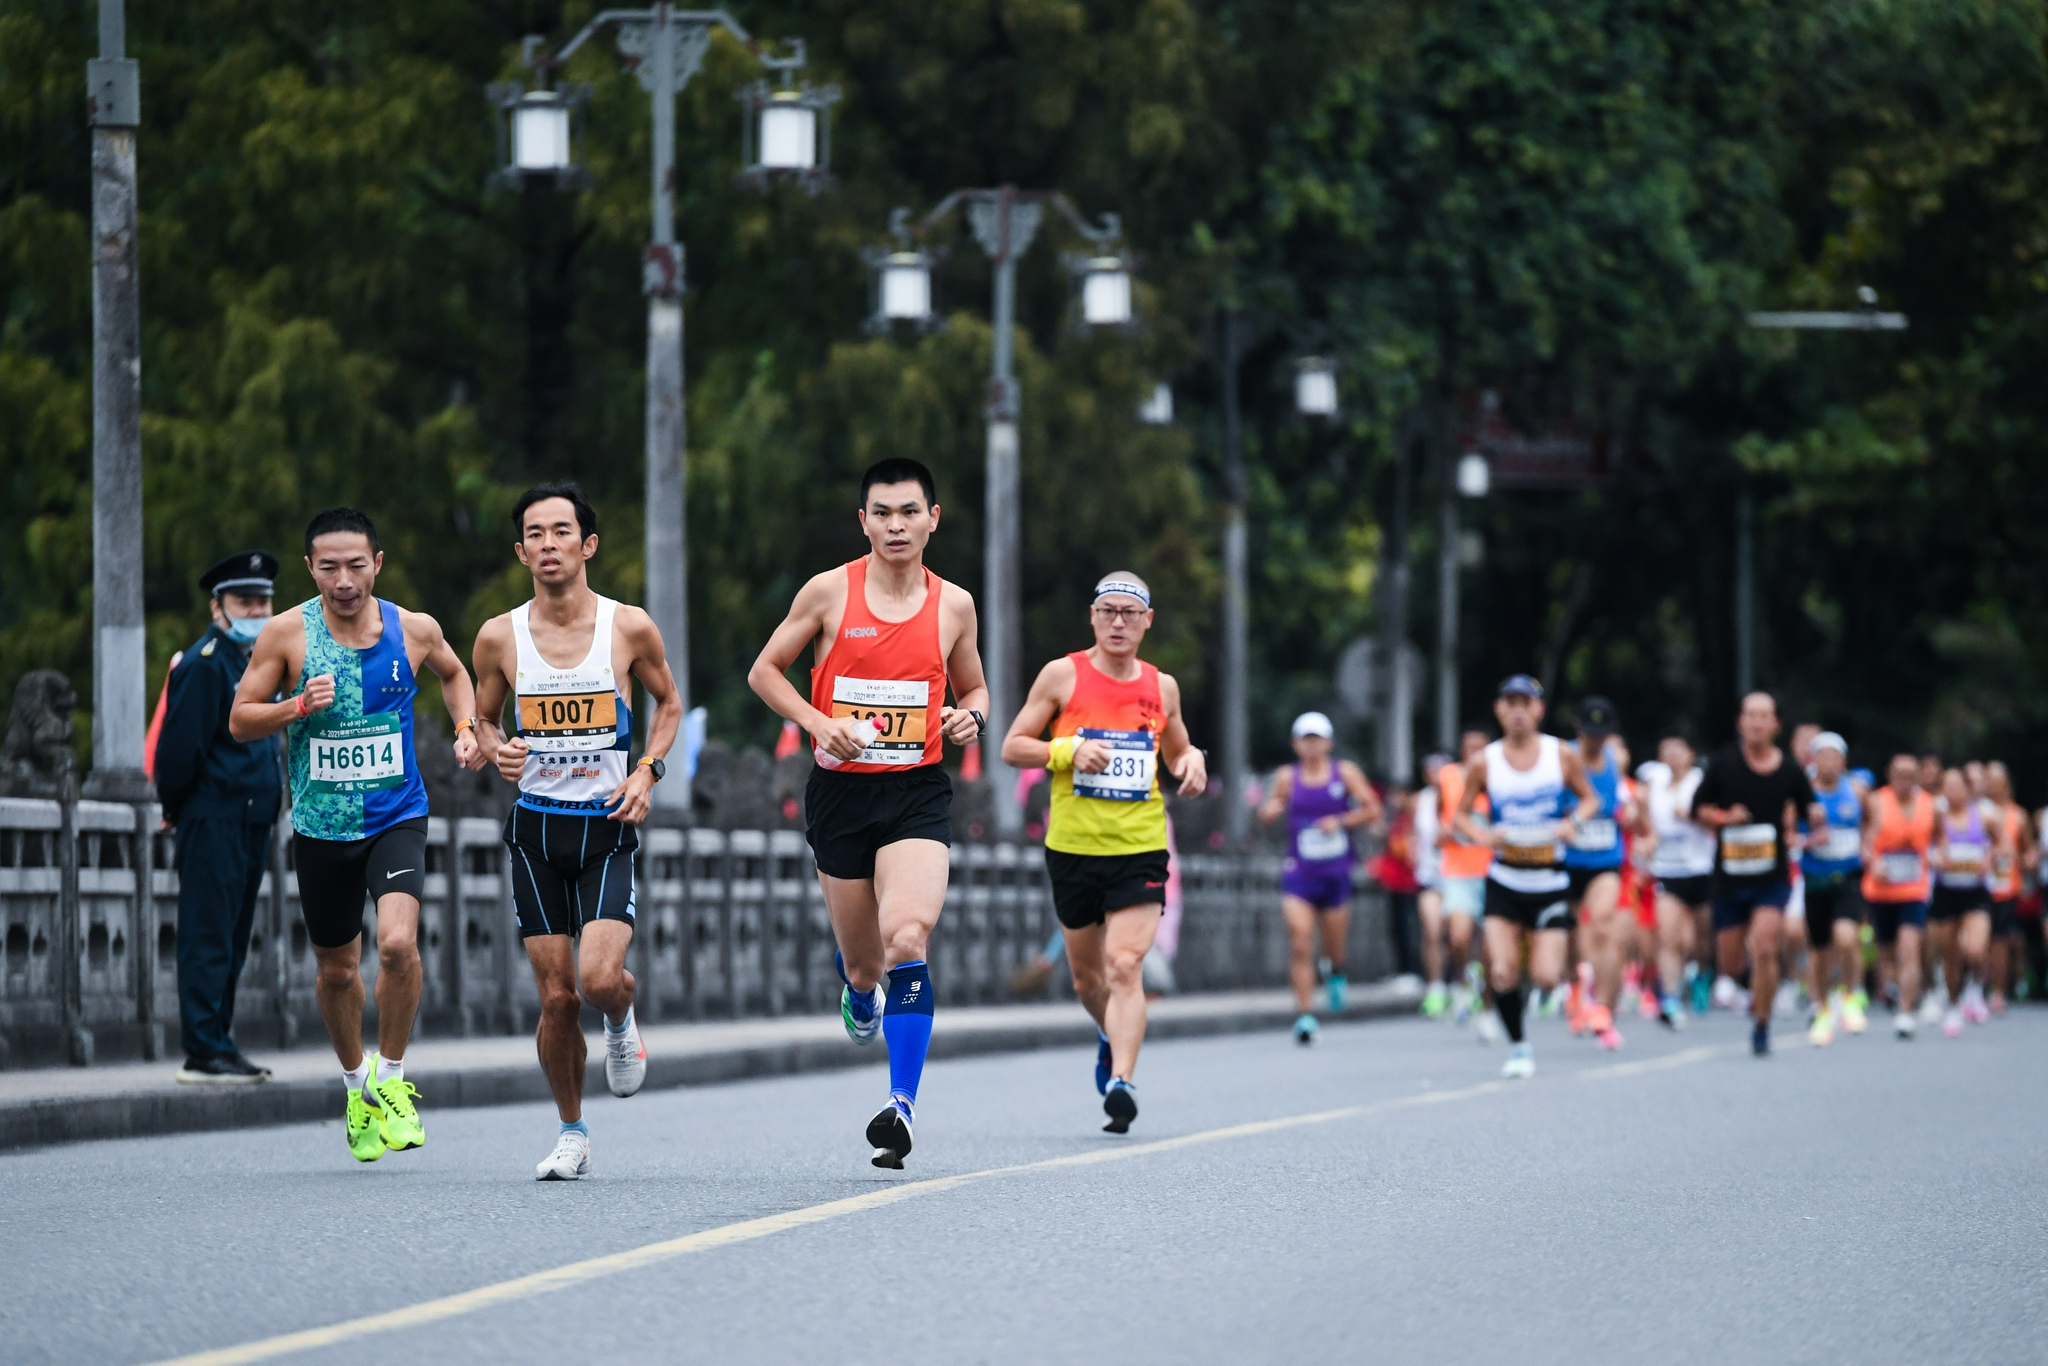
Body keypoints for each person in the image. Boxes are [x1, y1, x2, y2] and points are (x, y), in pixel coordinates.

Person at [746, 458, 988, 1168]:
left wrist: (970, 719)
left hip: (917, 792)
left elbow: (975, 690)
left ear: (933, 519)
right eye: (882, 513)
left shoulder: (954, 605)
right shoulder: (827, 592)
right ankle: (859, 991)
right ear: (864, 521)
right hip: (841, 795)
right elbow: (764, 671)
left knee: (908, 937)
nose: (896, 525)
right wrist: (819, 724)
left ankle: (901, 1105)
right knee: (864, 964)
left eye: (909, 512)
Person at [230, 508, 483, 1161]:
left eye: (356, 565)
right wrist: (294, 707)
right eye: (329, 566)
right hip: (321, 825)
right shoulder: (287, 634)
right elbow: (240, 719)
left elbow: (456, 676)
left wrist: (464, 729)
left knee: (398, 945)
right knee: (338, 970)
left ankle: (392, 1080)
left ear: (378, 563)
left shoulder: (414, 629)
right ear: (311, 566)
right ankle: (355, 1089)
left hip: (396, 813)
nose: (344, 580)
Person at [471, 484, 684, 1180]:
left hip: (608, 826)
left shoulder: (628, 627)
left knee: (597, 981)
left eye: (562, 532)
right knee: (557, 998)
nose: (549, 544)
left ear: (587, 545)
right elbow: (483, 719)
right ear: (520, 550)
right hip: (536, 831)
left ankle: (621, 1020)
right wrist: (494, 745)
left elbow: (670, 704)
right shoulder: (499, 636)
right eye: (535, 534)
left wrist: (648, 771)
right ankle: (572, 1131)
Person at [1003, 572, 1207, 1132]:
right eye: (1108, 612)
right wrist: (1068, 750)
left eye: (1130, 613)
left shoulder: (1161, 687)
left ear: (1147, 621)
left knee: (1125, 965)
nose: (1118, 622)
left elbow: (1179, 748)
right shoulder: (1062, 675)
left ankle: (1122, 1080)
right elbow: (1013, 746)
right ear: (1093, 617)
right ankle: (1107, 1035)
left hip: (1140, 844)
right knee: (1087, 982)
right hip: (1072, 847)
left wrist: (1194, 764)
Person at [157, 551, 284, 1084]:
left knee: (233, 937)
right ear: (219, 608)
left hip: (252, 818)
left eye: (262, 601)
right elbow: (178, 749)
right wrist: (176, 808)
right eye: (243, 602)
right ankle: (202, 1049)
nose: (255, 610)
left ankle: (220, 1041)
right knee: (208, 934)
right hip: (213, 817)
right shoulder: (206, 663)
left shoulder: (257, 662)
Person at [1449, 674, 1600, 1080]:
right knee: (1502, 970)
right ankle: (1518, 1046)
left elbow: (1590, 799)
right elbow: (1461, 814)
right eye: (1510, 703)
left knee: (1547, 975)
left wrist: (1573, 823)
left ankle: (1552, 988)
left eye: (1525, 703)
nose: (1518, 711)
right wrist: (1484, 835)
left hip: (1549, 879)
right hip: (1505, 879)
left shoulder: (1561, 755)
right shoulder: (1486, 761)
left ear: (1538, 709)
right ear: (1499, 710)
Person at [1691, 692, 1824, 1057]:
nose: (1757, 722)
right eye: (1750, 715)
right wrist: (1723, 818)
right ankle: (1747, 987)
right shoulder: (1723, 764)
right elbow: (1696, 809)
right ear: (1740, 722)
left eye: (1764, 716)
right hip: (1730, 877)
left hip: (1771, 876)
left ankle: (1762, 1023)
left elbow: (1808, 806)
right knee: (1731, 963)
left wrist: (1814, 817)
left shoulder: (1789, 771)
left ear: (1776, 725)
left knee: (1765, 947)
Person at [1259, 713, 1382, 1041]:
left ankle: (1336, 972)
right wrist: (1270, 810)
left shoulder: (1345, 773)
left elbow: (1373, 809)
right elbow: (1269, 807)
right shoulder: (1287, 776)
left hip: (1335, 872)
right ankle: (1304, 1014)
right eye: (1305, 739)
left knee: (1333, 945)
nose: (1312, 746)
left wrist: (1340, 821)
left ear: (1328, 742)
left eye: (1317, 739)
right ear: (1295, 744)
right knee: (1300, 941)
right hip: (1300, 871)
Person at [1562, 697, 1633, 1050]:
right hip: (1566, 860)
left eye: (1601, 735)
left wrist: (1633, 815)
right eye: (1589, 735)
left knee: (1604, 926)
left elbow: (1622, 801)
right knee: (1575, 937)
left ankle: (1604, 1007)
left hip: (1604, 858)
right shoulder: (1564, 758)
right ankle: (1578, 990)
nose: (1594, 742)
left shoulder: (1616, 761)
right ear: (1579, 731)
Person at [1799, 732, 1869, 1045]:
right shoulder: (1803, 794)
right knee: (1819, 949)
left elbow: (1873, 822)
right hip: (1815, 879)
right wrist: (1810, 840)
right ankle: (1821, 1006)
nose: (1828, 762)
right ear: (1814, 760)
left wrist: (1868, 846)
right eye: (1822, 756)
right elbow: (1787, 834)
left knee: (1847, 935)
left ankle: (1852, 995)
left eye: (1834, 756)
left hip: (1848, 878)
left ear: (1843, 761)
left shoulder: (1856, 791)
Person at [1642, 735, 1715, 1025]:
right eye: (1666, 752)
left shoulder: (1701, 782)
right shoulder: (1655, 784)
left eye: (1678, 751)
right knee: (1668, 935)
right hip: (1668, 869)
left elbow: (1715, 820)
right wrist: (1646, 836)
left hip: (1701, 868)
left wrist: (1693, 816)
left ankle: (1701, 973)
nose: (1672, 756)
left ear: (1690, 755)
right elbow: (1645, 821)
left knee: (1701, 938)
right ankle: (1670, 996)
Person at [1862, 753, 1934, 1038]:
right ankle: (1891, 986)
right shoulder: (1876, 802)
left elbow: (1940, 838)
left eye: (1910, 775)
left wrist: (1939, 854)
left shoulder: (1930, 806)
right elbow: (1865, 841)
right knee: (1886, 951)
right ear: (1890, 775)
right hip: (1881, 888)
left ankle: (1906, 1012)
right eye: (1899, 775)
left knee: (1910, 947)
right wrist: (1873, 861)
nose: (1905, 781)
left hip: (1914, 888)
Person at [1927, 767, 2001, 1037]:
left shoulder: (1984, 816)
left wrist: (1989, 859)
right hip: (1947, 891)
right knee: (1950, 955)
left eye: (1958, 786)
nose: (1953, 791)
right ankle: (1953, 1005)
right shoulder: (1937, 816)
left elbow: (2002, 845)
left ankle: (1975, 990)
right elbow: (1924, 845)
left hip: (1975, 891)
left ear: (1968, 789)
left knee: (1975, 948)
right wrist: (1935, 858)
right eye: (1947, 786)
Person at [1431, 729, 1493, 1026]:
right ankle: (1461, 981)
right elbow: (1439, 819)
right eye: (1469, 747)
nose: (1475, 753)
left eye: (1481, 748)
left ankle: (1487, 998)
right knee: (1459, 936)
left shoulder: (1499, 781)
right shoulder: (1448, 777)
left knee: (1492, 945)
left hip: (1492, 870)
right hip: (1458, 870)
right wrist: (1442, 833)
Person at [1983, 762, 2034, 1012]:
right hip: (1979, 885)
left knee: (2000, 941)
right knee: (1979, 940)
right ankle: (1976, 986)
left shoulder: (2019, 816)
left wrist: (2028, 861)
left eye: (1995, 779)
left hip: (2006, 886)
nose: (1990, 784)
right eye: (1987, 779)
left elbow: (2029, 850)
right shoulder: (1977, 812)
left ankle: (1998, 991)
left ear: (2006, 784)